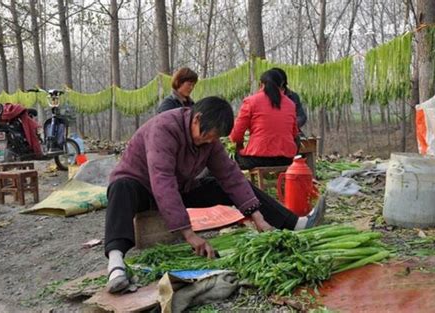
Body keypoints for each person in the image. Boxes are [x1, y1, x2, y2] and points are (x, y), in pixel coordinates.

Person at [104, 96, 326, 293]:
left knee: (220, 184)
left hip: (180, 188)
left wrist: (256, 214)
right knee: (120, 188)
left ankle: (294, 223)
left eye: (214, 138)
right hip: (142, 187)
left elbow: (230, 175)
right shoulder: (164, 128)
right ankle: (116, 264)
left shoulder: (209, 141)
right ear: (196, 119)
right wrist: (189, 234)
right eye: (207, 136)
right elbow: (162, 180)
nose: (209, 141)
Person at [229, 70, 298, 170]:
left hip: (257, 159)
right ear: (282, 85)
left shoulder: (251, 101)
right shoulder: (290, 104)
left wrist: (240, 144)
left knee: (232, 157)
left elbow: (235, 136)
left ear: (261, 84)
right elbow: (294, 133)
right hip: (286, 159)